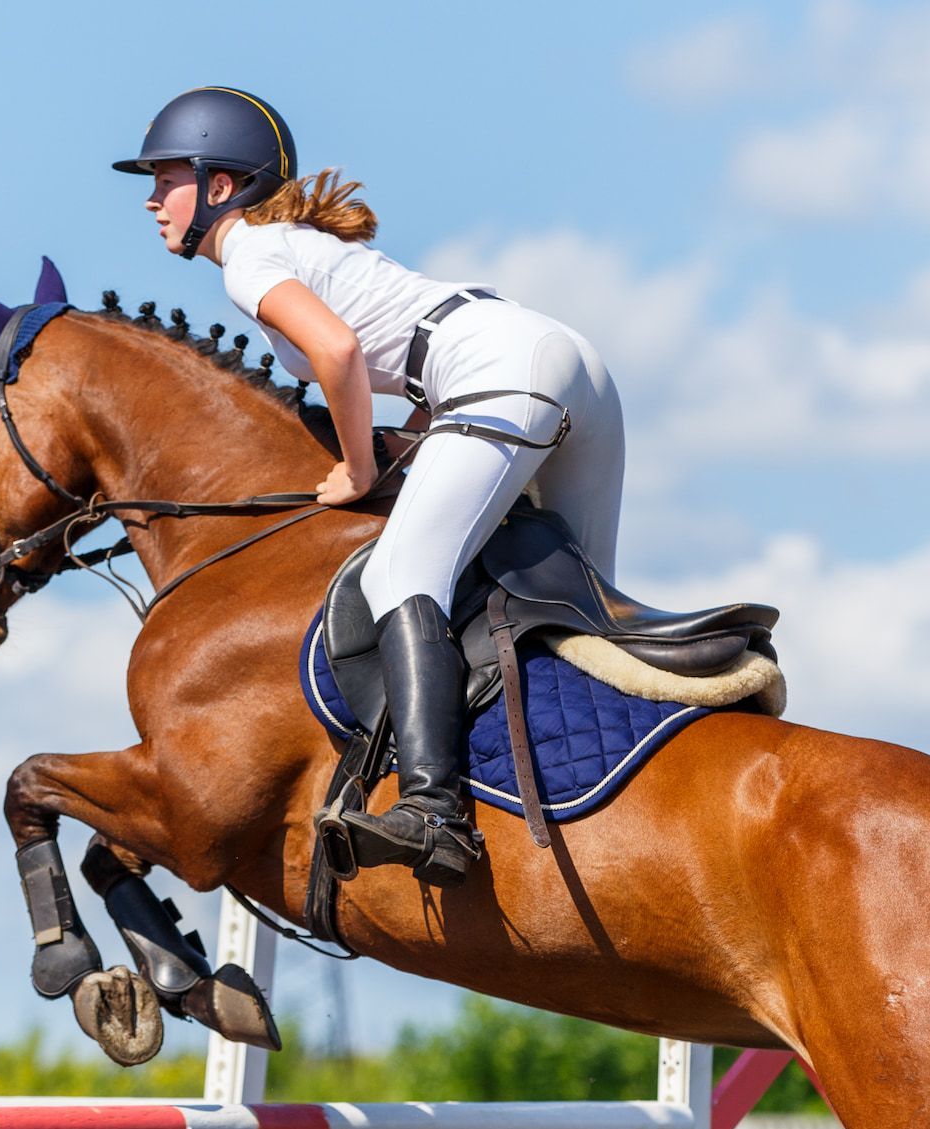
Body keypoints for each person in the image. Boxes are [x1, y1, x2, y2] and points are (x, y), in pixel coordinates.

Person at [113, 86, 625, 885]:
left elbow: (340, 354)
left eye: (164, 179)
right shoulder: (291, 241)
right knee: (589, 614)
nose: (151, 200)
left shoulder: (248, 255)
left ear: (220, 186)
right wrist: (406, 441)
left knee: (399, 574)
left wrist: (357, 469)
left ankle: (434, 811)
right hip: (566, 365)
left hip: (499, 373)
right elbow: (410, 352)